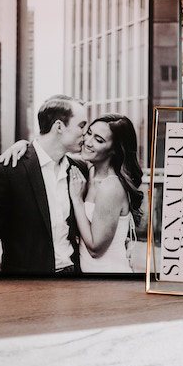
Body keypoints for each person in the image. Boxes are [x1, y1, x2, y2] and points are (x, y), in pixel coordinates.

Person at [0, 95, 87, 275]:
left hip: (74, 279)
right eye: (81, 125)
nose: (85, 133)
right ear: (59, 127)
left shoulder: (79, 169)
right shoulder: (7, 170)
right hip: (27, 283)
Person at [69, 114, 143, 274]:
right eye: (89, 133)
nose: (88, 142)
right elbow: (52, 153)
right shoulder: (88, 170)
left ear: (115, 150)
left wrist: (77, 201)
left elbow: (96, 249)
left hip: (110, 277)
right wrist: (23, 146)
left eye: (99, 140)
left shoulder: (111, 186)